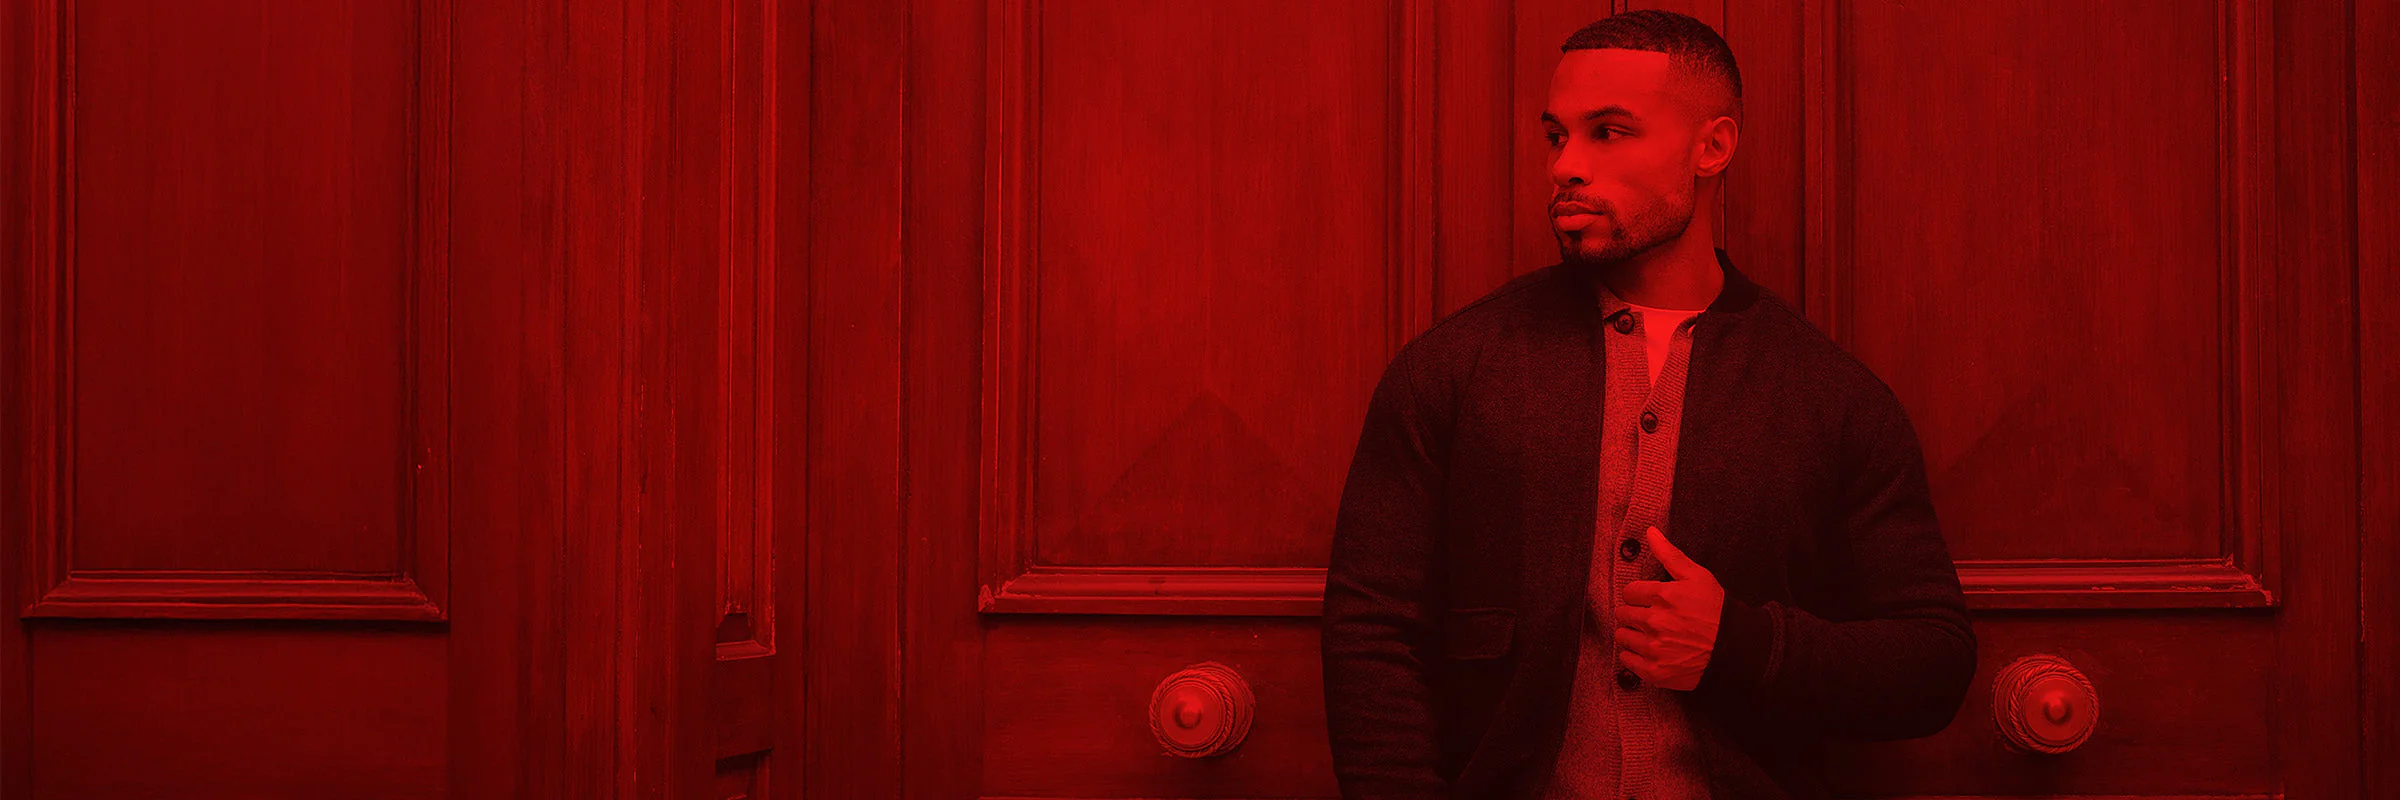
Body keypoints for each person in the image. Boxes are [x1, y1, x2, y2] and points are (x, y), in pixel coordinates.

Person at [1318, 10, 1976, 800]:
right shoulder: (1453, 370)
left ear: (1712, 147)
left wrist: (1742, 646)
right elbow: (1372, 633)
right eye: (1556, 135)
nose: (1566, 165)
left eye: (1609, 132)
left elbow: (1933, 662)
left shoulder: (1832, 399)